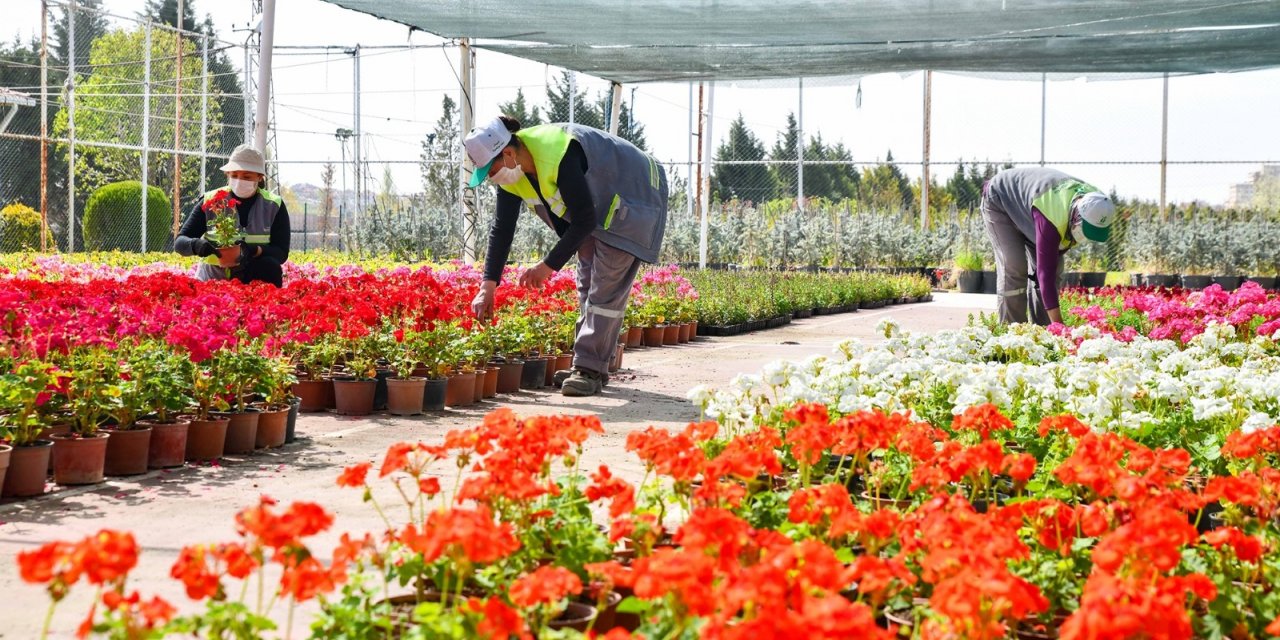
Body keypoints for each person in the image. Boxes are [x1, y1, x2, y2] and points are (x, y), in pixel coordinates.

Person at [464, 115, 668, 397]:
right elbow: (502, 230)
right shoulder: (514, 175)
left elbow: (584, 220)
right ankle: (588, 366)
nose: (489, 176)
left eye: (490, 169)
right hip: (598, 207)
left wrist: (546, 266)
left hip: (634, 196)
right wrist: (488, 287)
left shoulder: (559, 152)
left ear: (508, 153)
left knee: (605, 288)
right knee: (587, 283)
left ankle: (589, 369)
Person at [980, 167, 1116, 325]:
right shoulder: (1052, 217)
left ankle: (1043, 331)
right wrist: (1060, 326)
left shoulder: (1098, 203)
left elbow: (1051, 263)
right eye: (1085, 230)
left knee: (1054, 268)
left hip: (1032, 207)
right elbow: (1045, 274)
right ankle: (1012, 333)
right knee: (1014, 266)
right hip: (1001, 199)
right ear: (1076, 216)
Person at [174, 144, 291, 286]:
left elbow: (281, 252)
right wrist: (196, 245)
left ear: (259, 177)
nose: (239, 180)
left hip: (253, 278)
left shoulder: (274, 205)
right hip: (212, 280)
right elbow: (180, 242)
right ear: (227, 175)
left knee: (270, 265)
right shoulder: (211, 200)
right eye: (234, 175)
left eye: (247, 177)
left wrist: (254, 250)